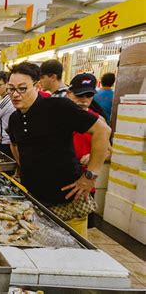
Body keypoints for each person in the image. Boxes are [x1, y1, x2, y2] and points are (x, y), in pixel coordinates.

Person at [7, 62, 111, 238]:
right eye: (11, 89)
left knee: (74, 259)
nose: (15, 95)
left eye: (22, 89)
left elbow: (102, 131)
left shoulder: (58, 107)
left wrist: (90, 176)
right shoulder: (14, 118)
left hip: (69, 204)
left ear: (37, 85)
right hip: (36, 203)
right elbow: (15, 145)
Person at [67, 73, 108, 228]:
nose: (83, 100)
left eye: (89, 96)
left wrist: (93, 157)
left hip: (84, 184)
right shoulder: (58, 117)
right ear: (69, 93)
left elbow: (109, 150)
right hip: (60, 182)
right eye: (79, 95)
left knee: (81, 228)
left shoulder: (99, 122)